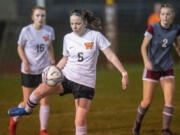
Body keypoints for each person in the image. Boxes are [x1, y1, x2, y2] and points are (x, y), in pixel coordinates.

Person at [8, 9, 129, 135]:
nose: (74, 26)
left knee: (79, 121)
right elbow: (65, 58)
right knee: (39, 90)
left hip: (85, 84)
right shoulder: (68, 38)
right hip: (66, 78)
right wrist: (54, 70)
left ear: (85, 22)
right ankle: (27, 110)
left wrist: (123, 73)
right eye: (72, 24)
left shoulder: (95, 36)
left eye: (77, 23)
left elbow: (111, 56)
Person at [132, 3, 180, 135]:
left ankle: (165, 130)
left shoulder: (176, 29)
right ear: (159, 16)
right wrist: (146, 61)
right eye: (163, 14)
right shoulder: (153, 28)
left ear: (172, 16)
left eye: (168, 14)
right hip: (152, 68)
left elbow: (177, 45)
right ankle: (137, 125)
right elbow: (143, 47)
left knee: (170, 100)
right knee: (146, 101)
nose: (165, 17)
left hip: (167, 68)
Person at [8, 6, 55, 135]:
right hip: (29, 71)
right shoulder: (26, 31)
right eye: (38, 15)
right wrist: (26, 62)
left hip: (44, 71)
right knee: (27, 105)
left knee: (45, 99)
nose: (40, 18)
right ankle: (14, 120)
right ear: (32, 17)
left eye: (43, 16)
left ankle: (43, 130)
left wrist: (52, 61)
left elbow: (49, 47)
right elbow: (19, 48)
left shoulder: (49, 30)